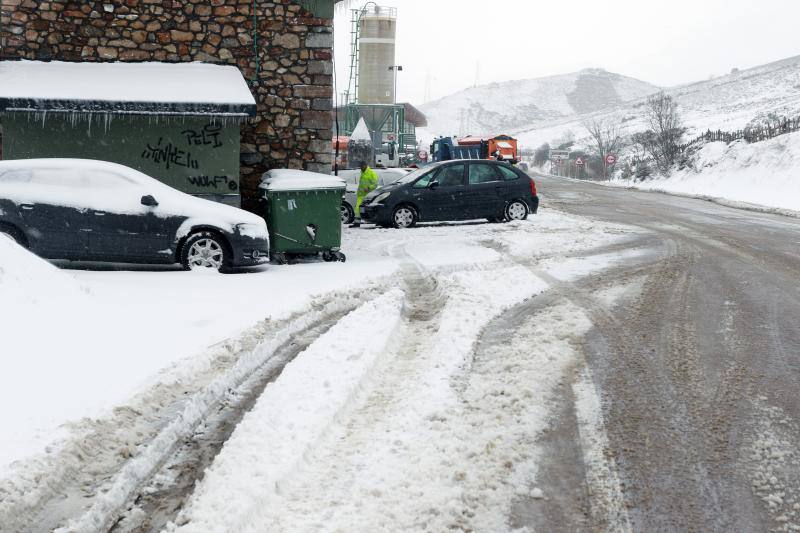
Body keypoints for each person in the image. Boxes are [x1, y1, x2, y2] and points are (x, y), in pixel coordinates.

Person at [350, 161, 378, 228]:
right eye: (360, 167)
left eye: (362, 166)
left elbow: (375, 184)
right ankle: (357, 223)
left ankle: (375, 221)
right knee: (357, 209)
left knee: (366, 209)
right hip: (361, 195)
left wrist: (368, 188)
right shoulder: (363, 173)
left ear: (365, 165)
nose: (361, 168)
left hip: (367, 195)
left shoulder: (371, 173)